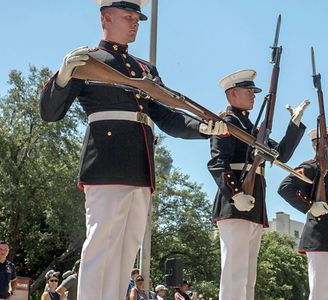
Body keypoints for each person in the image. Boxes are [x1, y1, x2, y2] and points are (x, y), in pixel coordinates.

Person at [39, 1, 227, 299]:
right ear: (105, 18)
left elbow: (166, 115)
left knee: (127, 249)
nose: (135, 22)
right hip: (106, 162)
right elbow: (50, 113)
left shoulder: (145, 69)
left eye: (137, 18)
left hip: (140, 165)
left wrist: (202, 128)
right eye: (128, 17)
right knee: (101, 244)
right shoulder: (89, 60)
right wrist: (63, 76)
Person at [208, 69, 307, 300]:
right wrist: (234, 194)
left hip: (253, 203)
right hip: (235, 203)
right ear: (232, 94)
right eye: (248, 90)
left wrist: (294, 125)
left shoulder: (252, 128)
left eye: (254, 91)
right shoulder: (227, 122)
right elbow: (217, 162)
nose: (253, 95)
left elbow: (280, 155)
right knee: (235, 273)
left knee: (248, 277)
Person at [278, 126, 328, 300]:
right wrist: (310, 206)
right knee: (320, 292)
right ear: (320, 145)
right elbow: (286, 188)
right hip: (319, 235)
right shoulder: (310, 167)